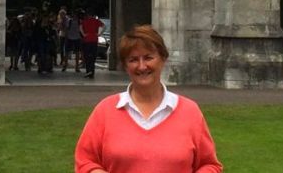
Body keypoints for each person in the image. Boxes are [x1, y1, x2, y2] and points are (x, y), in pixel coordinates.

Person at [75, 24, 222, 173]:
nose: (142, 66)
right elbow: (85, 161)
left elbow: (210, 165)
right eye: (133, 60)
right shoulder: (105, 111)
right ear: (125, 66)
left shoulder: (189, 112)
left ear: (163, 59)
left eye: (148, 58)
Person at [80, 10, 105, 79]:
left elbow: (80, 27)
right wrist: (99, 34)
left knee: (87, 56)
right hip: (94, 39)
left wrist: (83, 34)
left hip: (87, 39)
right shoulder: (96, 21)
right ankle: (92, 72)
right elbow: (104, 26)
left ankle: (88, 71)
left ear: (88, 15)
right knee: (93, 57)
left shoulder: (85, 21)